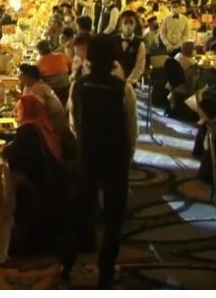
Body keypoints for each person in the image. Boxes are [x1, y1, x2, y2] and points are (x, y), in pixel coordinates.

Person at [60, 33, 137, 288]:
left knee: (80, 212)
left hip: (88, 156)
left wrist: (84, 140)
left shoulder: (79, 86)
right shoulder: (122, 88)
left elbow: (72, 123)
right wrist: (128, 158)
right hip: (115, 158)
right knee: (113, 217)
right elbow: (131, 129)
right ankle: (105, 270)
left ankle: (67, 263)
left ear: (90, 58)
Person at [4, 94, 72, 254]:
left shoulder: (27, 130)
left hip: (37, 184)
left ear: (29, 110)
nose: (15, 111)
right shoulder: (39, 124)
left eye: (20, 108)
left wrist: (3, 150)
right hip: (52, 178)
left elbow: (14, 157)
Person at [19, 63, 69, 135]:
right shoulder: (28, 86)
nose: (19, 77)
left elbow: (34, 112)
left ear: (30, 77)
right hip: (46, 122)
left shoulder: (39, 88)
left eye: (22, 75)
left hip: (53, 125)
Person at [113, 10, 145, 85]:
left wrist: (128, 83)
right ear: (120, 25)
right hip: (114, 81)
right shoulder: (113, 40)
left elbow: (139, 67)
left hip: (131, 83)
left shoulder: (139, 44)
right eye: (125, 22)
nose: (128, 26)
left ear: (135, 25)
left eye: (131, 23)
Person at [36, 40, 72, 105]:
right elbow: (71, 65)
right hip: (67, 86)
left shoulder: (39, 63)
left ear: (39, 51)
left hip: (53, 90)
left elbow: (39, 78)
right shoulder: (61, 56)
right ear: (50, 47)